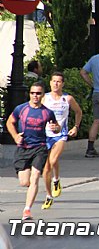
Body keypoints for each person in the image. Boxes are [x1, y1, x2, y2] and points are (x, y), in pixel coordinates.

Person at [7, 82, 61, 220]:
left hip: (40, 147)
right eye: (33, 93)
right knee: (25, 182)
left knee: (36, 175)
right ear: (29, 94)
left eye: (38, 93)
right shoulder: (21, 109)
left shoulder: (47, 112)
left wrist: (56, 129)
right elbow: (9, 122)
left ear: (42, 95)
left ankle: (27, 210)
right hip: (23, 148)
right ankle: (33, 188)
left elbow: (56, 127)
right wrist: (15, 136)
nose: (35, 96)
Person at [41, 72, 83, 209]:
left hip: (61, 134)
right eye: (53, 81)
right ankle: (49, 194)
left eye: (59, 82)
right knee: (48, 166)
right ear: (50, 83)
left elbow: (78, 112)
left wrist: (76, 127)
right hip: (45, 135)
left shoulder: (67, 99)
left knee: (52, 161)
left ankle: (56, 180)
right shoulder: (44, 98)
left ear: (63, 84)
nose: (56, 84)